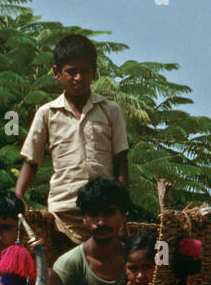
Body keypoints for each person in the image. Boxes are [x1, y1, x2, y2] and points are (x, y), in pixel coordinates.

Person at [16, 34, 129, 245]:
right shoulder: (47, 113)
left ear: (94, 72)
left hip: (101, 211)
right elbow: (31, 161)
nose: (78, 77)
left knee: (101, 267)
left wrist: (121, 208)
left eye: (85, 71)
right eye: (71, 71)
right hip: (63, 210)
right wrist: (18, 196)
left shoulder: (110, 111)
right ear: (57, 73)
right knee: (62, 269)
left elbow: (121, 162)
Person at [45, 176, 130, 285]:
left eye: (109, 213)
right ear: (84, 219)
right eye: (93, 215)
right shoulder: (69, 265)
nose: (101, 222)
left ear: (124, 217)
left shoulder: (134, 260)